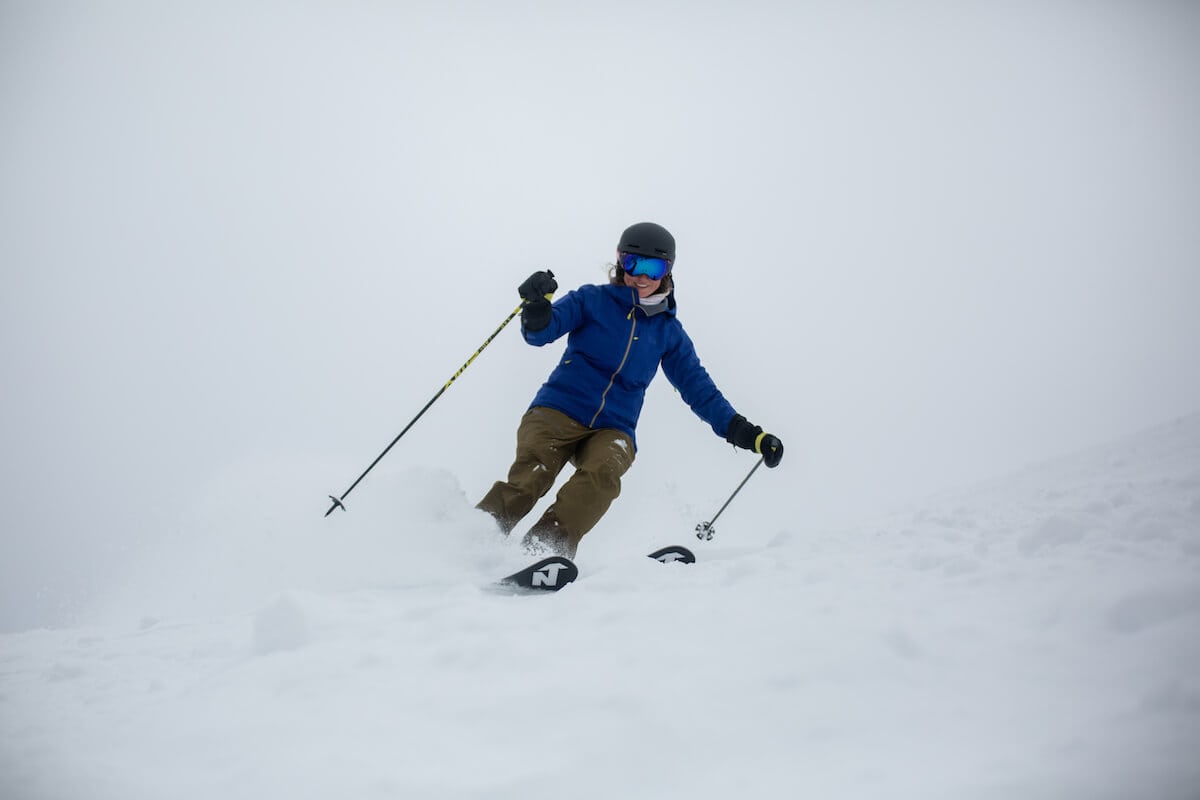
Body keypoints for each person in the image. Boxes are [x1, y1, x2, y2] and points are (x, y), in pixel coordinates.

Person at [476, 222, 783, 558]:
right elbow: (540, 333)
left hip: (614, 427)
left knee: (604, 472)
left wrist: (747, 434)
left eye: (654, 267)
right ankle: (471, 538)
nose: (641, 276)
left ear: (667, 271)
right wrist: (536, 310)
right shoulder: (591, 300)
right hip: (557, 410)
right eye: (633, 263)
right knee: (533, 474)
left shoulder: (668, 332)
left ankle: (541, 551)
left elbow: (700, 391)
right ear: (620, 262)